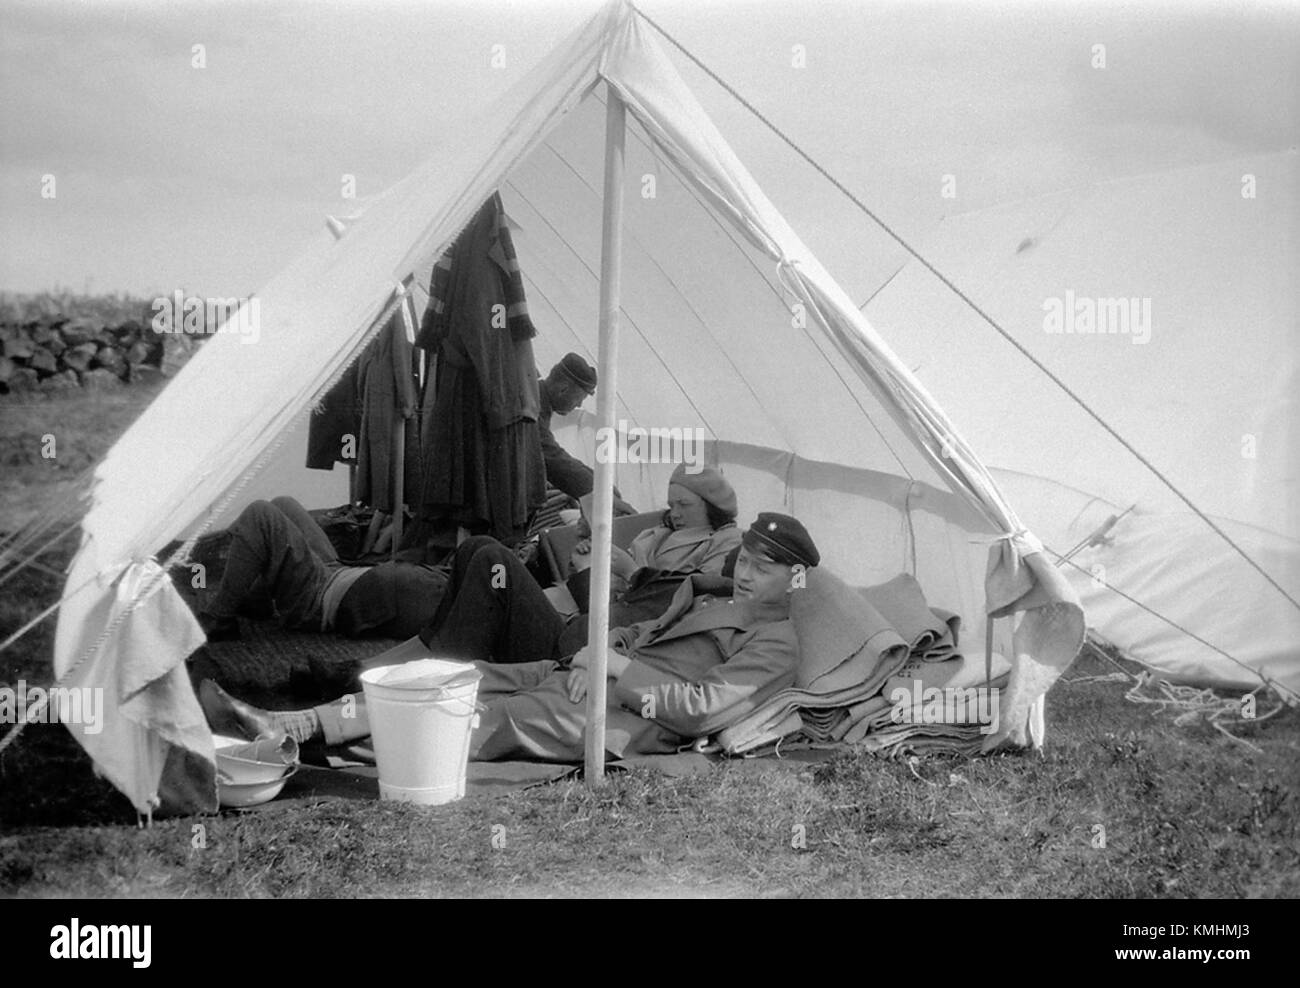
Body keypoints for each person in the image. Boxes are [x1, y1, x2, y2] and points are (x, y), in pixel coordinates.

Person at [199, 512, 820, 762]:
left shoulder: (776, 644)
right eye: (746, 558)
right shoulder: (714, 596)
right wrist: (594, 654)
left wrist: (610, 668)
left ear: (794, 579)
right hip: (581, 678)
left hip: (630, 717)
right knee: (446, 678)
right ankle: (302, 722)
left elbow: (698, 709)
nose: (745, 571)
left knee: (483, 721)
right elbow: (642, 634)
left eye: (764, 567)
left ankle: (292, 745)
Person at [195, 496, 447, 642]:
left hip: (319, 600)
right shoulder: (453, 583)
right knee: (283, 504)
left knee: (260, 514)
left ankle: (220, 616)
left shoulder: (445, 610)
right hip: (338, 571)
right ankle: (258, 598)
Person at [538, 353, 636, 516]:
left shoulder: (538, 400)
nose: (579, 405)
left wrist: (599, 481)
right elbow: (547, 453)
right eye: (579, 399)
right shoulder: (534, 405)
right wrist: (597, 487)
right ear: (563, 389)